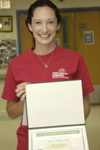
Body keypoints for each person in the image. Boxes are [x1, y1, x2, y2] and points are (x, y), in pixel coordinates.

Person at [2, 0, 94, 149]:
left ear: (58, 25)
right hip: (30, 141)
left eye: (50, 22)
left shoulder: (76, 59)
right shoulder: (16, 64)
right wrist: (26, 101)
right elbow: (11, 113)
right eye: (38, 22)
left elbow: (85, 108)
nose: (44, 29)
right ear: (30, 26)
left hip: (66, 140)